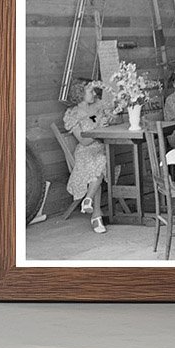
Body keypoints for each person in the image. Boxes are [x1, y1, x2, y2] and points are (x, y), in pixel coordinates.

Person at [62, 78, 111, 234]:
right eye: (90, 91)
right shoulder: (73, 114)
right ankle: (96, 214)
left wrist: (106, 122)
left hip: (100, 149)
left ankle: (88, 201)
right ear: (80, 93)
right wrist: (98, 130)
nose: (94, 93)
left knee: (101, 161)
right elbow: (83, 141)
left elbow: (104, 120)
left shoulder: (97, 107)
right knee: (101, 163)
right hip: (85, 152)